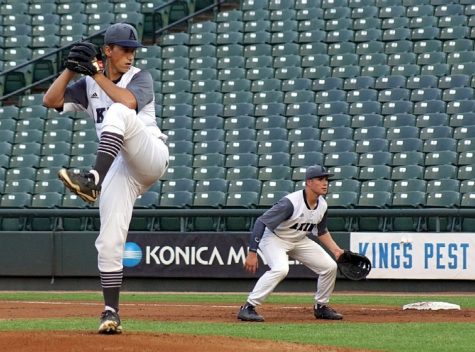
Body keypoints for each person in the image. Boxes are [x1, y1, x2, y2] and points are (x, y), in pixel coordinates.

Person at [43, 23, 169, 334]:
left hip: (149, 155)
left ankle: (93, 178)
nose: (130, 54)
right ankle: (111, 312)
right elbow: (51, 100)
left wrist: (94, 73)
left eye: (133, 49)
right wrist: (71, 71)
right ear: (108, 50)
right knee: (109, 240)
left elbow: (127, 103)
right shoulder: (88, 85)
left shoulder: (140, 76)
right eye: (124, 49)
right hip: (118, 168)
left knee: (118, 113)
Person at [237, 165, 344, 322]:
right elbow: (261, 222)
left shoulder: (322, 205)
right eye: (320, 179)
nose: (325, 183)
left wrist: (336, 250)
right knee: (281, 269)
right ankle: (248, 307)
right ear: (309, 182)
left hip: (298, 239)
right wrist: (252, 252)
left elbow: (321, 231)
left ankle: (321, 307)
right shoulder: (290, 203)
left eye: (326, 179)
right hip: (275, 239)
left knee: (329, 267)